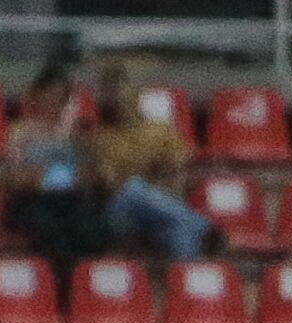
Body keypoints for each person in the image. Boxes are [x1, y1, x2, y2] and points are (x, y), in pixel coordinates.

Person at [87, 56, 218, 260]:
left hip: (162, 210)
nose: (117, 96)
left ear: (137, 93)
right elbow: (113, 187)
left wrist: (151, 178)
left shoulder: (162, 130)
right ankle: (203, 225)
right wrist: (150, 176)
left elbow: (179, 173)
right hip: (121, 215)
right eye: (110, 90)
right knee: (133, 188)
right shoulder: (101, 137)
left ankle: (183, 284)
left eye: (122, 87)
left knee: (182, 230)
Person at [0, 68, 106, 267]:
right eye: (51, 96)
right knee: (54, 233)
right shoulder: (20, 132)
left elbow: (89, 176)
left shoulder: (74, 136)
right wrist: (63, 176)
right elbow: (18, 180)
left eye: (61, 97)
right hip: (30, 201)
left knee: (92, 229)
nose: (55, 102)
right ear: (37, 97)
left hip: (68, 200)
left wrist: (46, 174)